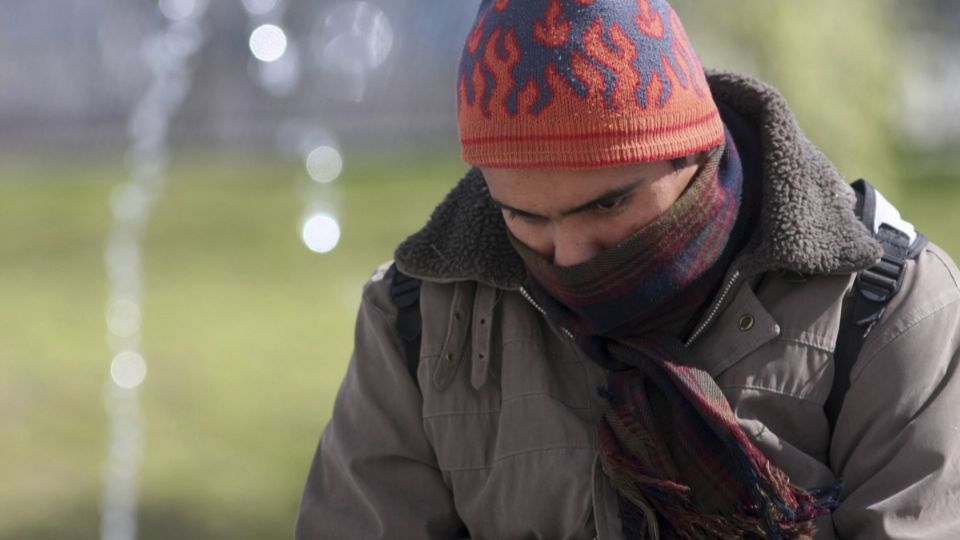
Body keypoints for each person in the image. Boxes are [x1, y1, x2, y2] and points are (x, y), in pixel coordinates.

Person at [296, 1, 960, 538]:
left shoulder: (889, 306)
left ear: (694, 155)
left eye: (609, 203)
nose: (572, 257)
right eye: (526, 217)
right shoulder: (415, 320)